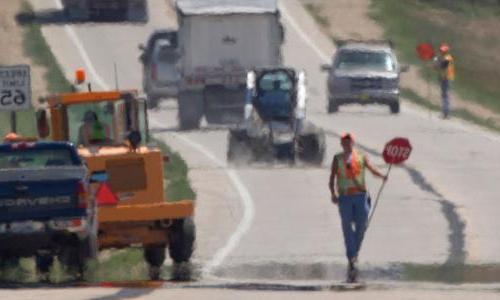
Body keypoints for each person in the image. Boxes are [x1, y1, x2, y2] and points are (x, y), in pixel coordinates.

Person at [329, 132, 387, 282]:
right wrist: (333, 194)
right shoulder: (337, 159)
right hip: (345, 198)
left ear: (353, 143)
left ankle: (354, 251)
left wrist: (382, 176)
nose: (347, 144)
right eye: (344, 142)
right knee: (347, 227)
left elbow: (372, 169)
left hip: (360, 197)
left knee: (362, 225)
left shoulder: (361, 157)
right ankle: (352, 256)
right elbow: (332, 178)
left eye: (349, 142)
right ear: (341, 144)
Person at [434, 43, 455, 119]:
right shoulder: (444, 57)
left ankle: (446, 113)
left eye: (443, 51)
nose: (442, 52)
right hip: (444, 78)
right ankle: (445, 112)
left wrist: (437, 61)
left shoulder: (448, 58)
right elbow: (437, 67)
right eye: (441, 50)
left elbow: (442, 66)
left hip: (447, 78)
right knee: (444, 95)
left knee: (445, 95)